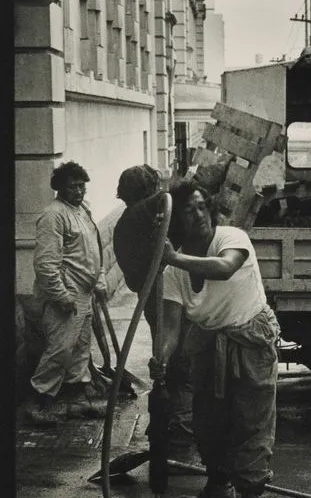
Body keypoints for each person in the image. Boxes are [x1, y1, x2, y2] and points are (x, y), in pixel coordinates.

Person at [149, 181, 281, 498]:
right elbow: (171, 327)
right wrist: (161, 357)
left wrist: (173, 257)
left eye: (201, 206)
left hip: (250, 338)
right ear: (175, 222)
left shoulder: (232, 238)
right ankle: (219, 489)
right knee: (208, 422)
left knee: (250, 422)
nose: (198, 214)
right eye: (188, 210)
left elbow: (224, 268)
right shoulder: (173, 272)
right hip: (208, 344)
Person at [113, 164, 196, 460]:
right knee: (179, 364)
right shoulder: (144, 213)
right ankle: (177, 436)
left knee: (167, 361)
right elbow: (167, 198)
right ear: (148, 190)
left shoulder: (125, 224)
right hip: (164, 297)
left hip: (154, 298)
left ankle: (164, 426)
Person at [26, 161, 108, 426]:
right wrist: (61, 296)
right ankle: (38, 402)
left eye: (82, 186)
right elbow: (45, 263)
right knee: (60, 350)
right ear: (59, 188)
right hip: (67, 291)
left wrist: (99, 280)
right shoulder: (53, 215)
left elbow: (95, 247)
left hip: (85, 291)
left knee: (81, 348)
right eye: (73, 187)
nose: (79, 191)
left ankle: (76, 399)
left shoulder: (82, 209)